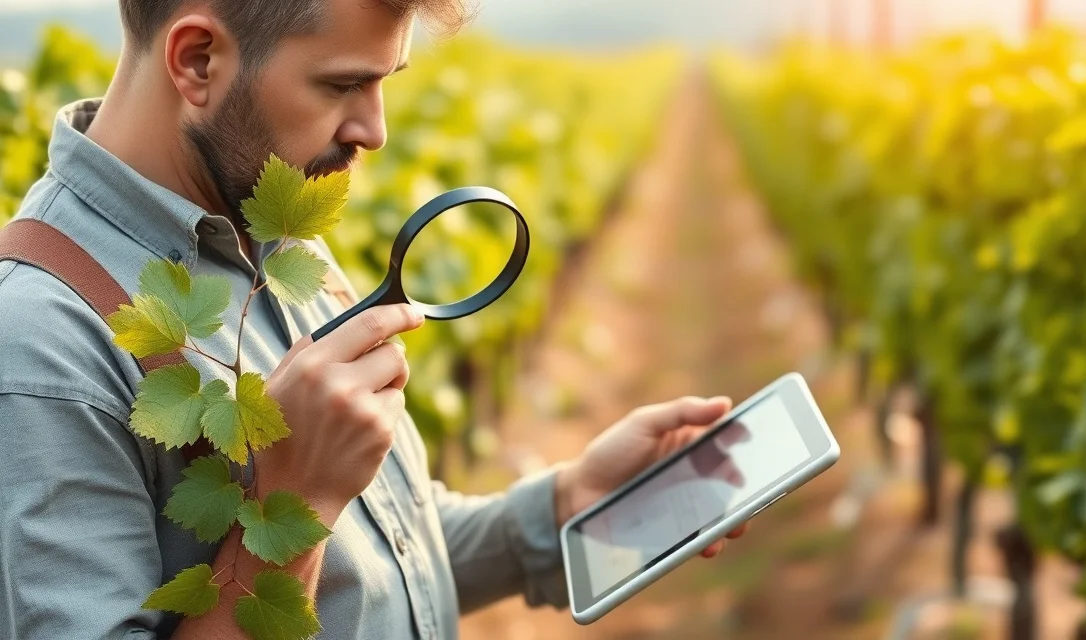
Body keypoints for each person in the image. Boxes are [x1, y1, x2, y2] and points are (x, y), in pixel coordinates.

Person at [0, 0, 748, 638]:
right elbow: (317, 517)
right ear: (197, 61)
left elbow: (374, 562)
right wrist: (294, 504)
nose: (375, 129)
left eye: (385, 81)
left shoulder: (281, 232)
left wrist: (566, 505)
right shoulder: (40, 344)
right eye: (345, 84)